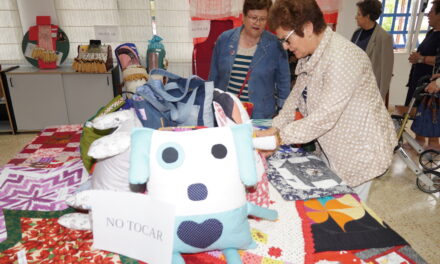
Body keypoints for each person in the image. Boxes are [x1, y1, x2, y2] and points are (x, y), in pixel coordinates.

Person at [258, 0, 397, 201]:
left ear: (307, 28)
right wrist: (275, 128)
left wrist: (279, 138)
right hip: (335, 146)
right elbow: (294, 99)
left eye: (287, 40)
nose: (286, 47)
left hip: (361, 152)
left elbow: (325, 117)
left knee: (348, 212)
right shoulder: (311, 54)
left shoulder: (342, 57)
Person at [208, 0, 291, 119]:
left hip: (260, 114)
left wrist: (283, 111)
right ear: (244, 16)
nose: (257, 23)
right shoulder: (224, 39)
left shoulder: (275, 44)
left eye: (263, 19)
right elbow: (213, 76)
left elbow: (284, 80)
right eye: (253, 17)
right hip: (226, 112)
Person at [406, 0, 440, 147]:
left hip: (432, 83)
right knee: (418, 113)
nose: (428, 14)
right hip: (420, 80)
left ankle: (433, 147)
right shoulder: (432, 32)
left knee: (431, 118)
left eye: (431, 11)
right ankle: (418, 141)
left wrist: (421, 59)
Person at [351, 0, 394, 104]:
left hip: (369, 90)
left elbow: (386, 72)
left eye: (359, 14)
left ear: (368, 16)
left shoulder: (384, 38)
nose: (356, 17)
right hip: (353, 85)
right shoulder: (357, 33)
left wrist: (379, 99)